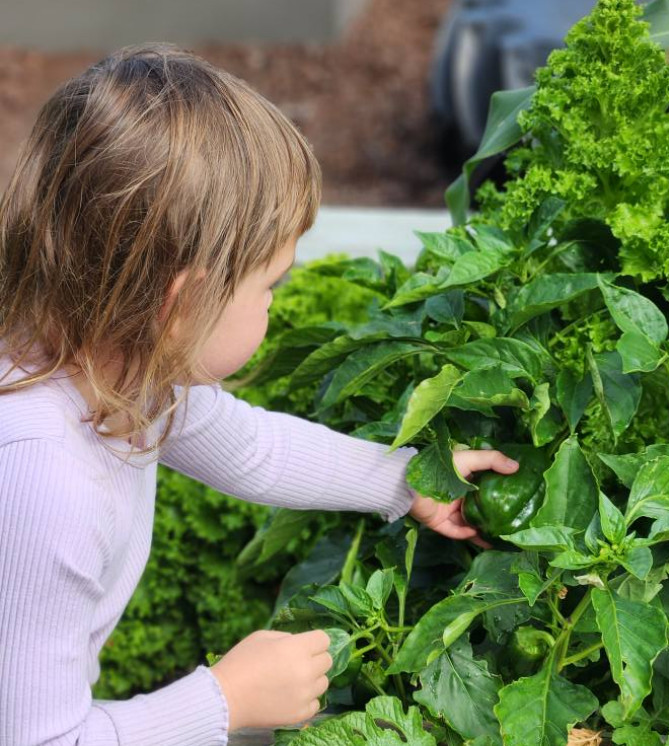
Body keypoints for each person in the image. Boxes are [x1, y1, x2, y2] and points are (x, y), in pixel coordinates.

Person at [0, 43, 520, 745]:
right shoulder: (45, 481)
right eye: (269, 285)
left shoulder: (110, 364)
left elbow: (252, 448)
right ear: (181, 301)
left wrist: (410, 480)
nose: (278, 301)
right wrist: (225, 701)